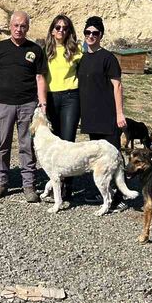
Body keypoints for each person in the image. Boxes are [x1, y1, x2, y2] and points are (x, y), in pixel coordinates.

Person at [0, 11, 47, 203]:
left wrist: (42, 103)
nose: (19, 29)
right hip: (4, 104)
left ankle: (29, 185)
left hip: (28, 104)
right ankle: (1, 183)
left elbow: (40, 78)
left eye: (23, 26)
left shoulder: (35, 50)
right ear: (10, 26)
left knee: (26, 145)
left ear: (28, 28)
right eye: (16, 25)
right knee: (2, 145)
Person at [77, 15, 128, 210]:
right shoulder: (82, 58)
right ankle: (105, 193)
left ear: (101, 35)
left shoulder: (108, 58)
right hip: (90, 116)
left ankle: (120, 196)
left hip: (107, 115)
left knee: (114, 155)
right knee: (98, 156)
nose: (91, 36)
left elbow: (117, 87)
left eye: (95, 33)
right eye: (88, 32)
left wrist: (119, 113)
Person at [45, 14, 82, 199]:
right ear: (52, 30)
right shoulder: (45, 50)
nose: (61, 31)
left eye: (65, 28)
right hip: (50, 98)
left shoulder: (76, 50)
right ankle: (55, 184)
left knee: (67, 141)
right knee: (54, 142)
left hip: (70, 97)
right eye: (58, 27)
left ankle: (68, 186)